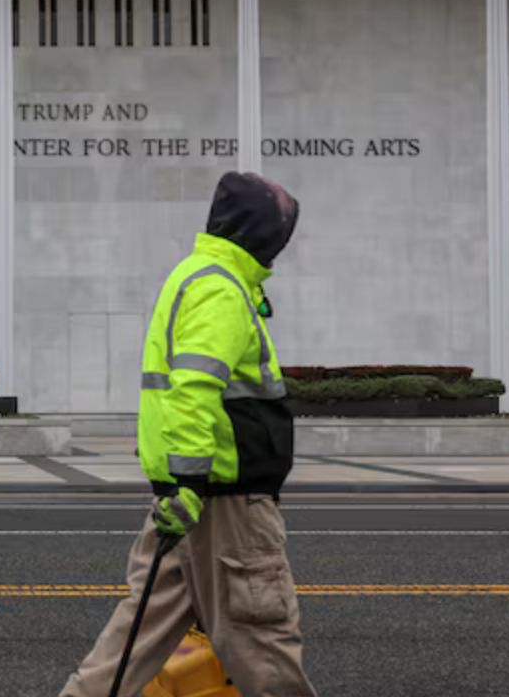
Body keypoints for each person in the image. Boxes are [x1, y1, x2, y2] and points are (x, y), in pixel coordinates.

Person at [58, 172, 317, 697]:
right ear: (260, 231)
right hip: (224, 504)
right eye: (280, 227)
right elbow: (193, 389)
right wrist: (190, 483)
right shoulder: (220, 289)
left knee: (132, 639)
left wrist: (182, 488)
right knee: (263, 639)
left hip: (194, 500)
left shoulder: (198, 276)